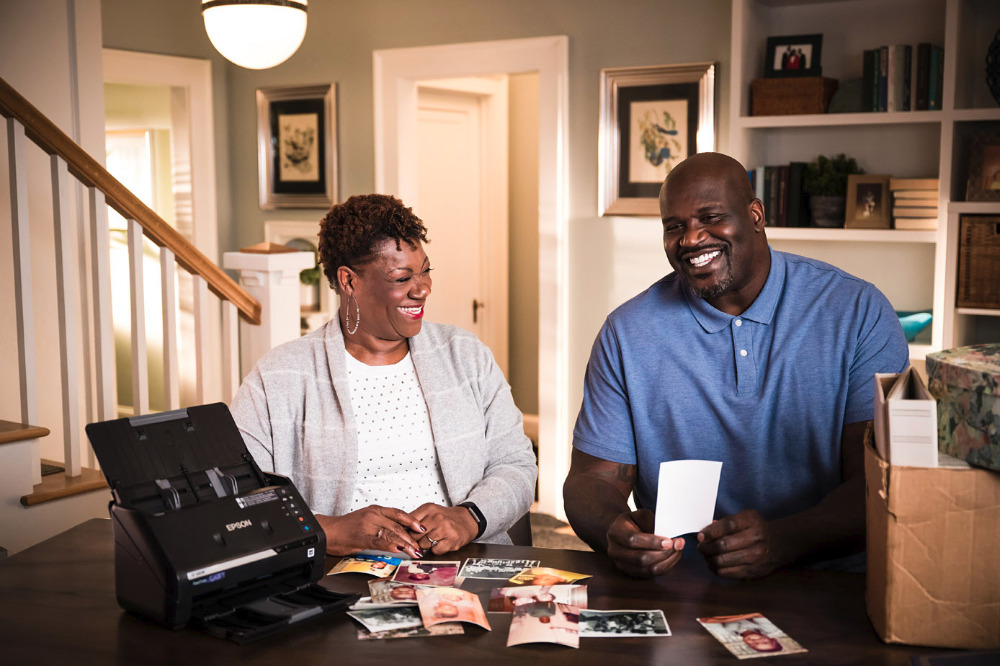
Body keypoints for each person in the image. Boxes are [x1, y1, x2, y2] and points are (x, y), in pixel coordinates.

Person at [563, 152, 909, 579]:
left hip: (830, 579)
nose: (691, 239)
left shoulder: (858, 311)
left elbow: (882, 480)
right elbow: (590, 481)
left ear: (756, 215)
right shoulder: (627, 333)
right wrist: (615, 532)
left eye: (710, 217)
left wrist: (786, 540)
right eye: (675, 226)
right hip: (677, 580)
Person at [231, 193, 536, 559]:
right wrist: (329, 529)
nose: (422, 288)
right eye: (402, 276)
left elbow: (516, 463)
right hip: (338, 574)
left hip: (465, 565)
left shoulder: (464, 355)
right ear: (348, 281)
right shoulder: (279, 376)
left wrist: (468, 518)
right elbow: (242, 497)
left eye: (425, 271)